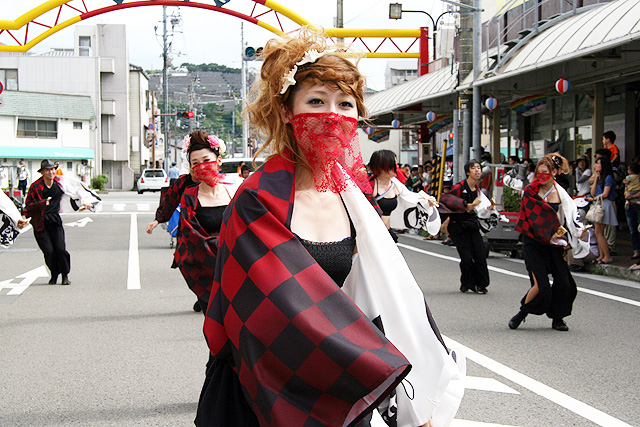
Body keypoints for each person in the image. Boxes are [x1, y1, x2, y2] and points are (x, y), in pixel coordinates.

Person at [198, 28, 463, 427]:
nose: (333, 115)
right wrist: (379, 368)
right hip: (262, 387)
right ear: (286, 112)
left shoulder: (353, 198)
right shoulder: (257, 200)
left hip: (338, 381)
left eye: (345, 103)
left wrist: (411, 397)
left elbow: (380, 296)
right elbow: (277, 312)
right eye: (316, 101)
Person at [509, 153, 589, 332]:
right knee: (541, 286)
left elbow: (570, 218)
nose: (541, 176)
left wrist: (577, 232)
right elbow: (531, 219)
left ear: (555, 172)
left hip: (554, 243)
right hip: (533, 242)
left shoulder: (562, 194)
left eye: (545, 172)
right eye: (539, 172)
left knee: (565, 283)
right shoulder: (530, 191)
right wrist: (546, 234)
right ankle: (522, 313)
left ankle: (558, 318)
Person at [173, 130, 237, 314]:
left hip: (236, 263)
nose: (201, 166)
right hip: (206, 266)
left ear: (218, 160)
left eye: (206, 160)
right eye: (195, 163)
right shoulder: (190, 197)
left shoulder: (235, 191)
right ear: (191, 169)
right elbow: (190, 235)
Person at [24, 159, 101, 285]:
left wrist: (86, 203)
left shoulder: (61, 184)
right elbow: (27, 206)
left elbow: (78, 191)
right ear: (42, 172)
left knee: (61, 249)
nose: (51, 172)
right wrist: (42, 203)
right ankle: (54, 273)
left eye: (52, 169)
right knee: (48, 251)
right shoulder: (35, 187)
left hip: (55, 220)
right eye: (47, 170)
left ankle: (65, 275)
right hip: (40, 223)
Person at [439, 160, 492, 294]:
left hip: (472, 226)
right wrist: (464, 205)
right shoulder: (459, 187)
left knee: (480, 255)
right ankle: (467, 283)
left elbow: (481, 210)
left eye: (479, 168)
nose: (477, 170)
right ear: (468, 172)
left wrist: (489, 209)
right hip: (458, 226)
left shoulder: (479, 191)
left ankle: (481, 284)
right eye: (473, 168)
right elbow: (446, 198)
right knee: (467, 258)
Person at [368, 149, 441, 243]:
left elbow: (412, 198)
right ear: (383, 166)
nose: (398, 167)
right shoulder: (370, 186)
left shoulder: (395, 185)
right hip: (370, 234)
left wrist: (427, 202)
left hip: (386, 233)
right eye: (394, 164)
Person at [586, 156, 617, 264]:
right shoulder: (600, 178)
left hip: (604, 204)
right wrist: (595, 178)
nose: (596, 166)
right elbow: (593, 192)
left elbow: (605, 194)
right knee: (598, 231)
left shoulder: (608, 178)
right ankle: (601, 255)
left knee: (599, 232)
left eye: (598, 164)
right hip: (599, 203)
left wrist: (593, 199)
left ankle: (607, 256)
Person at [624, 163, 640, 260]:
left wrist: (630, 196)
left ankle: (636, 250)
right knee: (633, 229)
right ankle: (636, 250)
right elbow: (626, 189)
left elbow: (625, 184)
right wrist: (627, 193)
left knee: (634, 229)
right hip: (630, 204)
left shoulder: (629, 178)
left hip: (635, 203)